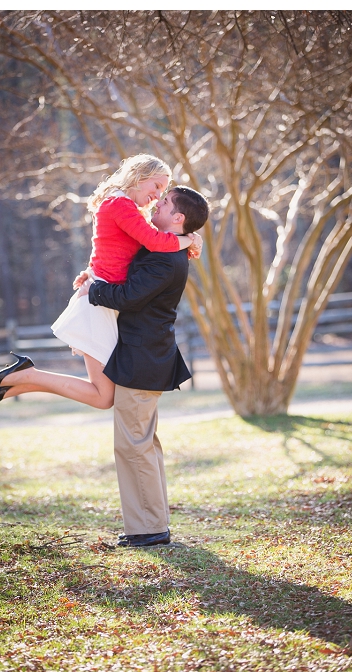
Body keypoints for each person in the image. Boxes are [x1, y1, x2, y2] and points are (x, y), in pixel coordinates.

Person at [0, 154, 201, 412]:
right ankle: (28, 375)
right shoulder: (119, 204)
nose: (158, 196)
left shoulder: (127, 207)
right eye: (156, 186)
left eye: (163, 191)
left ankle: (21, 381)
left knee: (104, 395)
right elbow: (155, 242)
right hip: (99, 300)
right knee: (103, 397)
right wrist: (189, 240)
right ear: (140, 176)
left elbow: (109, 248)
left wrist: (90, 269)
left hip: (104, 297)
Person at [86, 185, 208, 547]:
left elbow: (127, 297)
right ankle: (152, 524)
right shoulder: (164, 249)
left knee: (133, 446)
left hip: (142, 360)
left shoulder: (164, 258)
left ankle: (150, 529)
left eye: (165, 201)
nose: (157, 202)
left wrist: (93, 291)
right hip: (145, 356)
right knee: (143, 445)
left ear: (178, 218)